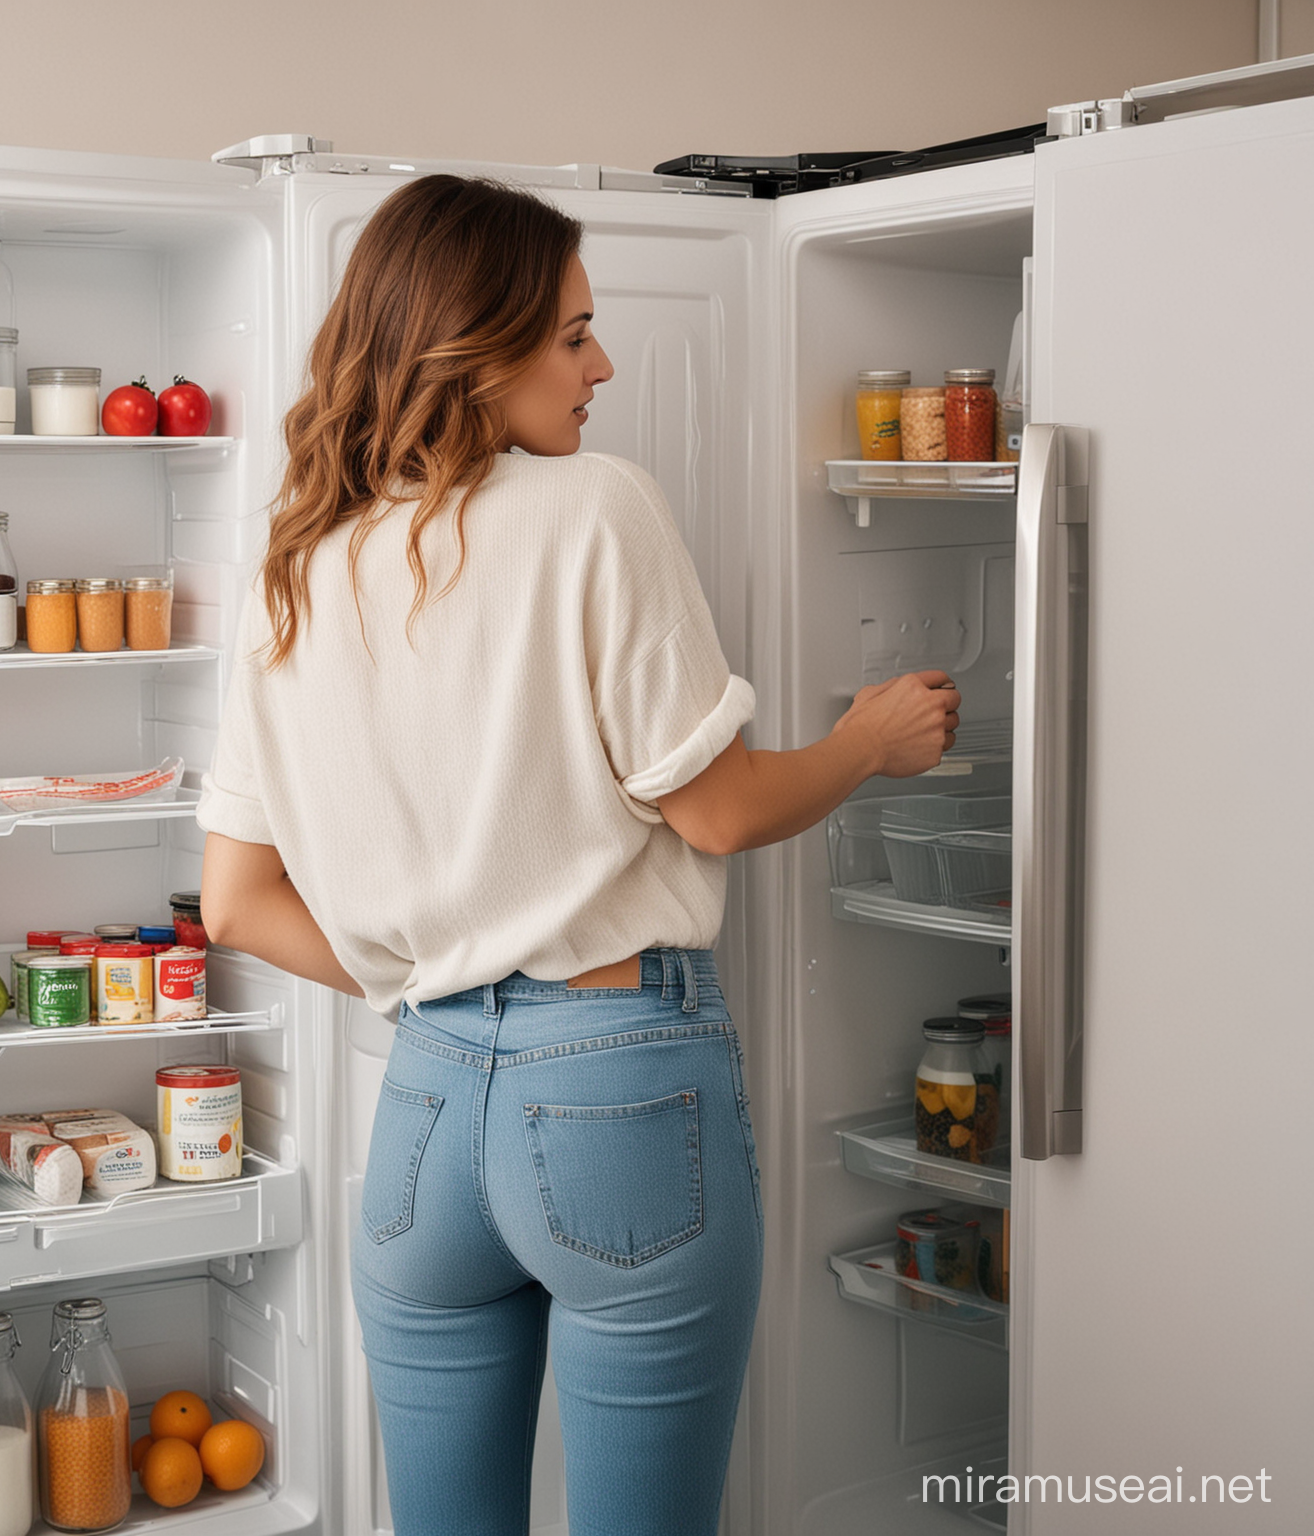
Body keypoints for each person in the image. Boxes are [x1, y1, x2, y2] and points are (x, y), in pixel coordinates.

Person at [196, 174, 959, 1536]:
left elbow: (238, 906)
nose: (601, 365)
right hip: (619, 1086)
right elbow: (716, 811)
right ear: (473, 344)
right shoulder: (594, 505)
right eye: (571, 336)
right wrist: (867, 742)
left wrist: (442, 975)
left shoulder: (296, 566)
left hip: (423, 1114)